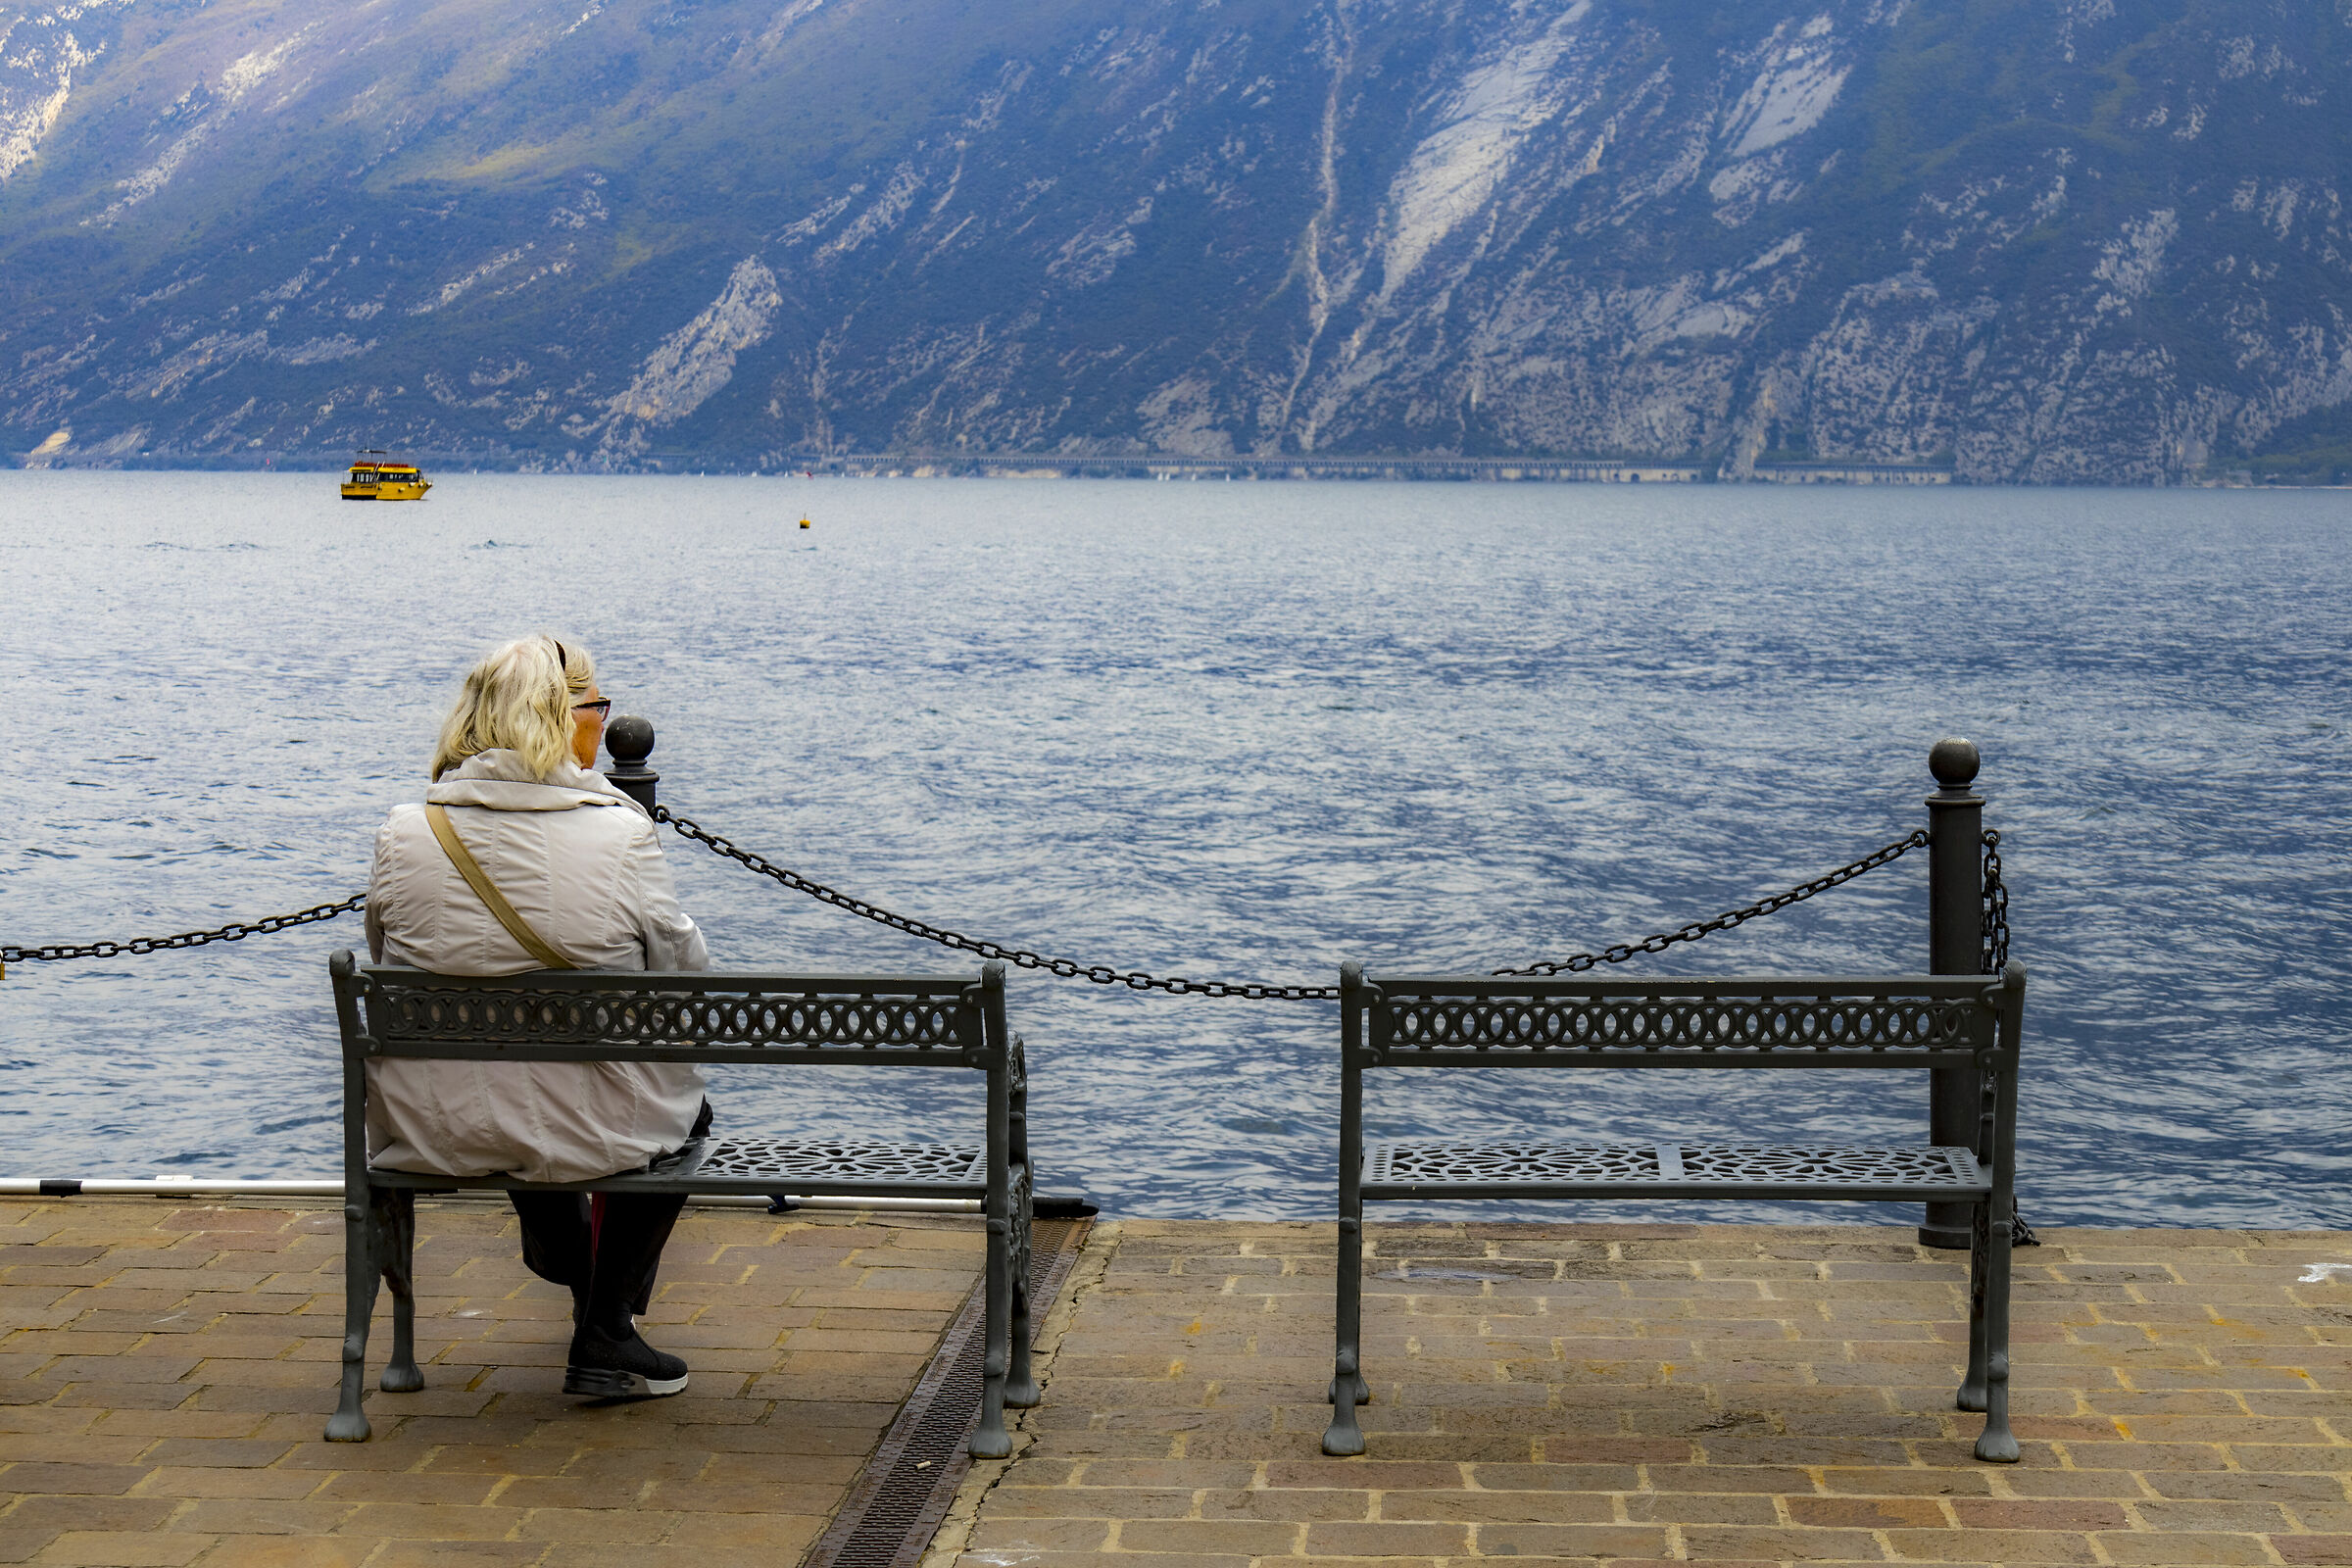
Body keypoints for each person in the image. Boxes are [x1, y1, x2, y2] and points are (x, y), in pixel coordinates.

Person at [363, 634, 709, 1400]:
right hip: (587, 1123)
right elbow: (686, 976)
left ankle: (584, 1292)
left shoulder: (404, 830)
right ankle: (605, 1323)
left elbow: (385, 953)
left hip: (434, 1120)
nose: (603, 722)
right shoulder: (619, 832)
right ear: (561, 717)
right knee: (675, 1108)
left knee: (516, 1076)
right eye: (597, 707)